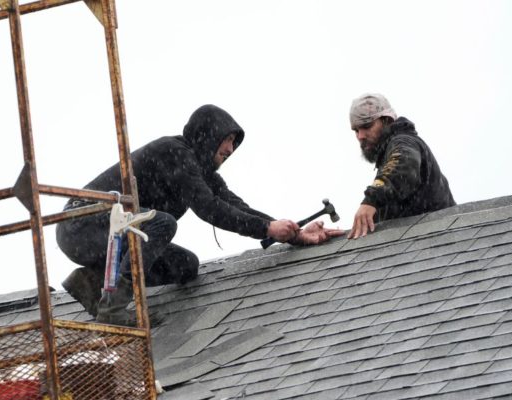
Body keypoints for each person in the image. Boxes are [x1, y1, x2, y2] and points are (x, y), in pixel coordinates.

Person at [56, 104, 344, 326]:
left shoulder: (200, 169)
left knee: (185, 265)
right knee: (159, 224)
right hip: (80, 224)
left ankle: (92, 283)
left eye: (234, 142)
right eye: (226, 140)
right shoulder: (174, 151)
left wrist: (291, 235)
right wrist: (268, 228)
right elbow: (209, 208)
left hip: (107, 234)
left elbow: (232, 203)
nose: (230, 149)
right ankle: (113, 309)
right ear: (208, 135)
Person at [348, 93, 456, 239]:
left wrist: (371, 200)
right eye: (356, 130)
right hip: (419, 243)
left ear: (386, 120)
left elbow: (402, 168)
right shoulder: (390, 153)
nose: (360, 136)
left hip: (438, 240)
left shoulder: (404, 142)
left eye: (367, 126)